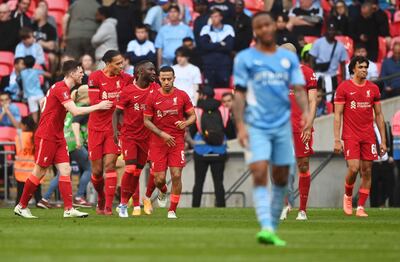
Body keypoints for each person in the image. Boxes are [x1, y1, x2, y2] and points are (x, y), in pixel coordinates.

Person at [232, 11, 311, 246]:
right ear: (255, 31)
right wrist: (240, 125)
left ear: (273, 28)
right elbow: (239, 95)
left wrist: (306, 112)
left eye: (268, 25)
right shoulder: (245, 59)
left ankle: (272, 226)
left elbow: (298, 89)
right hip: (257, 124)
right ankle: (266, 226)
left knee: (281, 176)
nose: (265, 29)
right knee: (259, 171)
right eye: (260, 26)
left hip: (282, 125)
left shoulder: (288, 61)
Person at [13, 60, 113, 218]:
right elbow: (74, 111)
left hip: (58, 135)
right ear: (72, 73)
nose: (83, 74)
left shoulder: (58, 87)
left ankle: (68, 209)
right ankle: (21, 205)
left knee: (65, 170)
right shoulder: (61, 88)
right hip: (47, 135)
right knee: (39, 171)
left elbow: (42, 102)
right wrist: (98, 106)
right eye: (80, 71)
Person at [334, 56, 387, 217]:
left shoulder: (373, 89)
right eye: (361, 67)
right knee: (354, 168)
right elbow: (337, 115)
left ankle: (361, 207)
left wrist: (383, 140)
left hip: (368, 135)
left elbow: (379, 115)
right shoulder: (344, 88)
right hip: (351, 135)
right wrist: (337, 139)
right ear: (353, 69)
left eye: (366, 67)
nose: (364, 70)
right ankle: (348, 196)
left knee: (367, 171)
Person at [143, 66, 196, 219]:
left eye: (169, 79)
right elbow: (146, 121)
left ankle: (172, 210)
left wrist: (185, 123)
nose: (166, 82)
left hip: (176, 141)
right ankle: (163, 190)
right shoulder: (152, 96)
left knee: (176, 175)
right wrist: (161, 134)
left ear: (174, 78)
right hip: (157, 142)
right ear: (159, 79)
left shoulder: (182, 95)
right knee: (159, 179)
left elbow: (193, 116)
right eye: (163, 79)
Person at [88, 50, 133, 216]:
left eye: (122, 62)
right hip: (95, 128)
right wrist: (117, 102)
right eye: (118, 63)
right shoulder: (95, 77)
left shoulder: (127, 79)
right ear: (108, 63)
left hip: (114, 130)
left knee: (110, 166)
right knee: (97, 171)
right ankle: (100, 197)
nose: (122, 66)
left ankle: (108, 206)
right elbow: (94, 102)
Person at [113, 60, 157, 218]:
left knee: (138, 172)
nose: (153, 72)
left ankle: (143, 199)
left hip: (147, 137)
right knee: (130, 169)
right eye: (150, 70)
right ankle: (124, 205)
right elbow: (117, 112)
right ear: (140, 72)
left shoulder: (156, 89)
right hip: (129, 135)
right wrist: (115, 131)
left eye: (154, 70)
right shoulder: (128, 91)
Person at [39, 85, 93, 209]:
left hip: (65, 140)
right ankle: (79, 196)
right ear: (87, 95)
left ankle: (45, 198)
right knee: (89, 168)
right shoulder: (83, 108)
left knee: (62, 173)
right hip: (74, 142)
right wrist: (79, 140)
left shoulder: (71, 106)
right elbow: (75, 123)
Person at [190, 86, 232, 208]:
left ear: (203, 95)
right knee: (219, 183)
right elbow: (230, 132)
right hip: (219, 152)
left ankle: (195, 209)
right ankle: (221, 208)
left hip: (200, 152)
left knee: (198, 183)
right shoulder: (224, 110)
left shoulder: (197, 111)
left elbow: (192, 133)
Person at [309, 23, 348, 102]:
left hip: (331, 76)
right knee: (316, 98)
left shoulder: (340, 46)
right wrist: (312, 74)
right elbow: (311, 59)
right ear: (326, 31)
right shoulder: (318, 42)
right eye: (329, 30)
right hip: (318, 75)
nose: (331, 32)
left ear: (336, 32)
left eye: (333, 30)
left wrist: (344, 80)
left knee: (331, 99)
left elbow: (343, 64)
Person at [199, 8, 235, 88]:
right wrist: (221, 43)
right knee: (208, 90)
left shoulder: (228, 28)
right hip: (209, 65)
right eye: (212, 17)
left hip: (224, 65)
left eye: (216, 16)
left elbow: (229, 47)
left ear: (221, 17)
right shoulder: (206, 29)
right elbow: (204, 46)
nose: (213, 19)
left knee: (224, 89)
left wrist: (212, 44)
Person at [14, 116, 42, 206]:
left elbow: (16, 152)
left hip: (21, 170)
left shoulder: (19, 137)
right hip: (35, 170)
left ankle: (18, 210)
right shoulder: (36, 135)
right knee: (38, 197)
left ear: (25, 125)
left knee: (19, 196)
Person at [20, 55, 49, 123]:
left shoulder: (22, 73)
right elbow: (48, 75)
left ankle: (36, 127)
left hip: (30, 97)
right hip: (39, 94)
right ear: (34, 63)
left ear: (24, 64)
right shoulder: (36, 71)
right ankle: (44, 125)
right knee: (44, 111)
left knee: (34, 114)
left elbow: (18, 80)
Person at [32, 3, 57, 74]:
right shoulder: (31, 26)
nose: (33, 15)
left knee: (52, 57)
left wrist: (39, 42)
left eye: (35, 14)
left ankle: (50, 76)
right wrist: (45, 43)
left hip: (45, 52)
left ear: (41, 15)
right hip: (32, 50)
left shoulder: (50, 28)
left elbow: (51, 46)